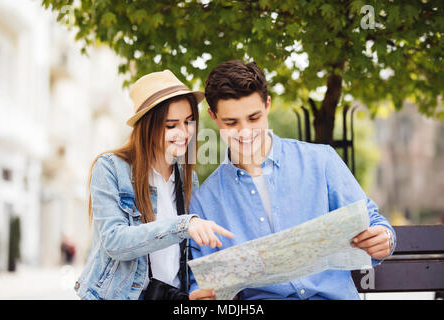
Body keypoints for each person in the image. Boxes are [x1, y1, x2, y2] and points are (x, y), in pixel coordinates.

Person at [188, 60, 396, 300]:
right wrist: (202, 295)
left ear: (267, 105)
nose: (245, 132)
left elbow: (373, 221)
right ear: (213, 117)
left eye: (254, 118)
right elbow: (201, 281)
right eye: (231, 123)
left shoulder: (321, 161)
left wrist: (384, 237)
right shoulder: (205, 201)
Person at [74, 70, 233, 300]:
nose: (184, 132)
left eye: (188, 122)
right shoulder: (109, 168)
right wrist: (183, 225)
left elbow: (185, 257)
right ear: (148, 126)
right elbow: (115, 241)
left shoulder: (188, 179)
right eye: (171, 125)